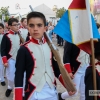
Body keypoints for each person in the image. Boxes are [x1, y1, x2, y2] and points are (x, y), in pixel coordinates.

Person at [14, 11, 75, 100]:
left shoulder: (51, 47)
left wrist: (67, 84)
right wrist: (18, 97)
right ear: (28, 28)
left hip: (51, 91)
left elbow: (56, 69)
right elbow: (19, 75)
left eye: (39, 25)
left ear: (45, 28)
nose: (35, 29)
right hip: (33, 93)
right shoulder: (24, 49)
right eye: (31, 25)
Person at [1, 18, 21, 97]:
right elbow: (3, 49)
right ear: (9, 26)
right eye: (15, 25)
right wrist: (5, 60)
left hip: (20, 59)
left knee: (20, 76)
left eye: (17, 24)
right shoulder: (6, 36)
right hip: (10, 59)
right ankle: (9, 87)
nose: (17, 26)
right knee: (11, 77)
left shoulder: (20, 34)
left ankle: (18, 91)